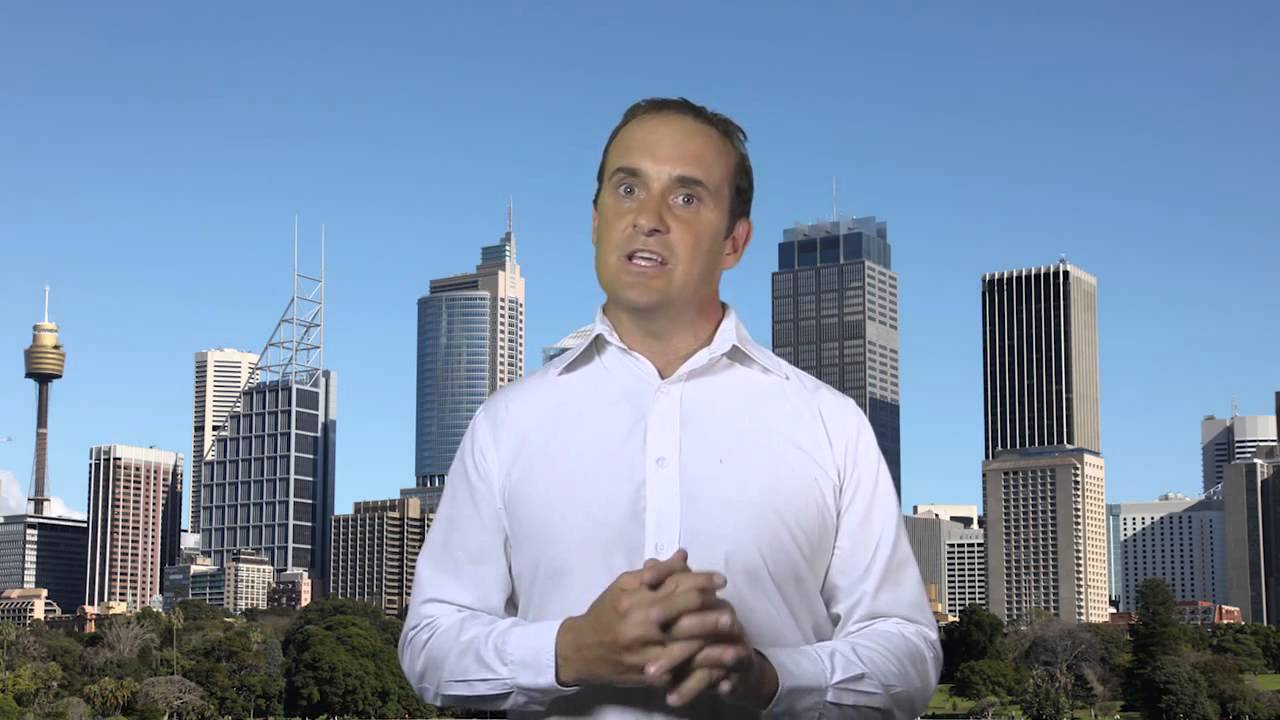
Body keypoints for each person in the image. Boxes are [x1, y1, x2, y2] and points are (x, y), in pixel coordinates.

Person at [399, 97, 941, 718]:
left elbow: (907, 653)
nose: (647, 218)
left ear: (734, 241)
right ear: (596, 220)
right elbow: (429, 643)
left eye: (685, 197)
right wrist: (566, 651)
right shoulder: (506, 424)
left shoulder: (831, 425)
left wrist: (770, 677)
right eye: (628, 188)